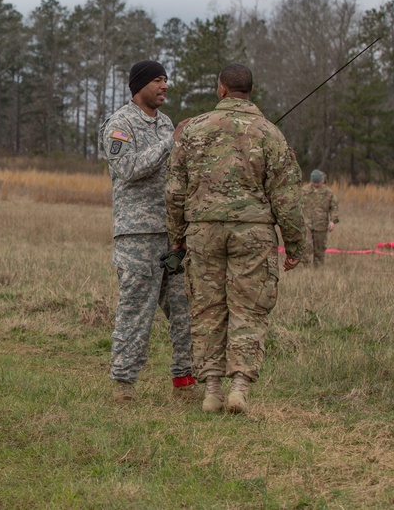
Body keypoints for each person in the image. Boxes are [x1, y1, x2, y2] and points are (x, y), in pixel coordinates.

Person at [166, 64, 306, 414]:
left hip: (203, 231)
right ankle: (239, 389)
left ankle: (211, 390)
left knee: (207, 309)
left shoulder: (193, 130)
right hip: (253, 233)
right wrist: (294, 245)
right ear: (250, 91)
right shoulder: (270, 133)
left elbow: (174, 191)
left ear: (222, 90)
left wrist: (177, 237)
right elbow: (287, 197)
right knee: (249, 309)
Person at [100, 59, 196, 403]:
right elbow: (127, 168)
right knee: (136, 310)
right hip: (137, 235)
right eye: (157, 80)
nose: (165, 85)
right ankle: (124, 386)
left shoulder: (166, 123)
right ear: (137, 85)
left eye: (166, 79)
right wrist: (171, 142)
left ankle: (186, 382)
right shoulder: (120, 123)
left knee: (185, 310)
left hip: (172, 234)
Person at [302, 169, 339, 265]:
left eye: (318, 182)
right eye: (314, 182)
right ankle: (306, 266)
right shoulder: (304, 191)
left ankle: (318, 269)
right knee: (306, 245)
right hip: (306, 224)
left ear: (322, 181)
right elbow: (296, 206)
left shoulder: (328, 193)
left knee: (320, 248)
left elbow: (334, 208)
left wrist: (333, 221)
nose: (316, 185)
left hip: (321, 225)